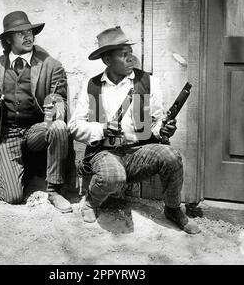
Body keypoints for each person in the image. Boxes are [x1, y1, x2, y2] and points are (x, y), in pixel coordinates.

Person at [68, 26, 200, 234]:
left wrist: (164, 129)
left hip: (138, 152)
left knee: (171, 156)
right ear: (107, 60)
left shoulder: (148, 82)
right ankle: (91, 202)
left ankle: (173, 209)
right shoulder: (92, 86)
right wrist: (102, 129)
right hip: (104, 152)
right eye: (123, 54)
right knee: (113, 175)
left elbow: (156, 123)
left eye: (130, 53)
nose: (130, 58)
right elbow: (75, 127)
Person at [0, 11, 73, 213]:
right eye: (20, 33)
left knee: (58, 127)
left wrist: (56, 110)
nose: (28, 37)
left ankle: (54, 191)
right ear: (8, 39)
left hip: (36, 130)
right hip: (7, 134)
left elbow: (60, 99)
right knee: (13, 196)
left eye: (30, 32)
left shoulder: (51, 66)